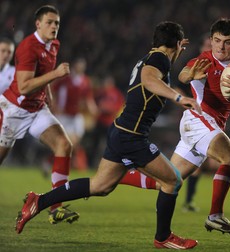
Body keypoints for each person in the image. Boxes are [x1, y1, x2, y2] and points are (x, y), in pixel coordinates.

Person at [15, 21, 201, 249]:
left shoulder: (150, 57)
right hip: (132, 136)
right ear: (175, 45)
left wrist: (178, 90)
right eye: (180, 47)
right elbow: (149, 79)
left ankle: (39, 201)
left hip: (120, 131)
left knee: (100, 186)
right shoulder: (159, 59)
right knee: (172, 180)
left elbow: (153, 80)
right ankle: (163, 237)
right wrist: (179, 98)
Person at [119, 18, 230, 234]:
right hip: (197, 120)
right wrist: (190, 75)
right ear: (210, 41)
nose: (220, 46)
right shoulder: (204, 60)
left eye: (227, 42)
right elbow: (184, 73)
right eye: (217, 40)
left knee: (166, 180)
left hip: (208, 127)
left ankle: (116, 175)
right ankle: (215, 216)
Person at [0, 5, 79, 224]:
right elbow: (24, 86)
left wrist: (49, 93)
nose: (54, 26)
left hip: (36, 109)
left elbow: (42, 75)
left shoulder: (54, 44)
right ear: (38, 24)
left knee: (64, 145)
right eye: (50, 22)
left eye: (57, 23)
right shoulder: (27, 47)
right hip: (13, 111)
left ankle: (56, 208)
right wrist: (56, 75)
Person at [182, 34, 212, 213]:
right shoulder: (197, 64)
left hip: (207, 120)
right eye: (209, 44)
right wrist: (181, 99)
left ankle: (180, 199)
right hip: (197, 120)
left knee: (181, 169)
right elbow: (182, 79)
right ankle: (215, 214)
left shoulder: (216, 65)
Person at [51, 57, 98, 171]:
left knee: (74, 141)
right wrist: (54, 107)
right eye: (79, 65)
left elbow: (88, 98)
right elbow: (53, 91)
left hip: (76, 116)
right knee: (66, 142)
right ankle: (61, 163)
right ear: (74, 66)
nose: (81, 67)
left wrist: (94, 110)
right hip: (63, 115)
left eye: (82, 65)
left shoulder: (85, 81)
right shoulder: (65, 78)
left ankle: (65, 163)